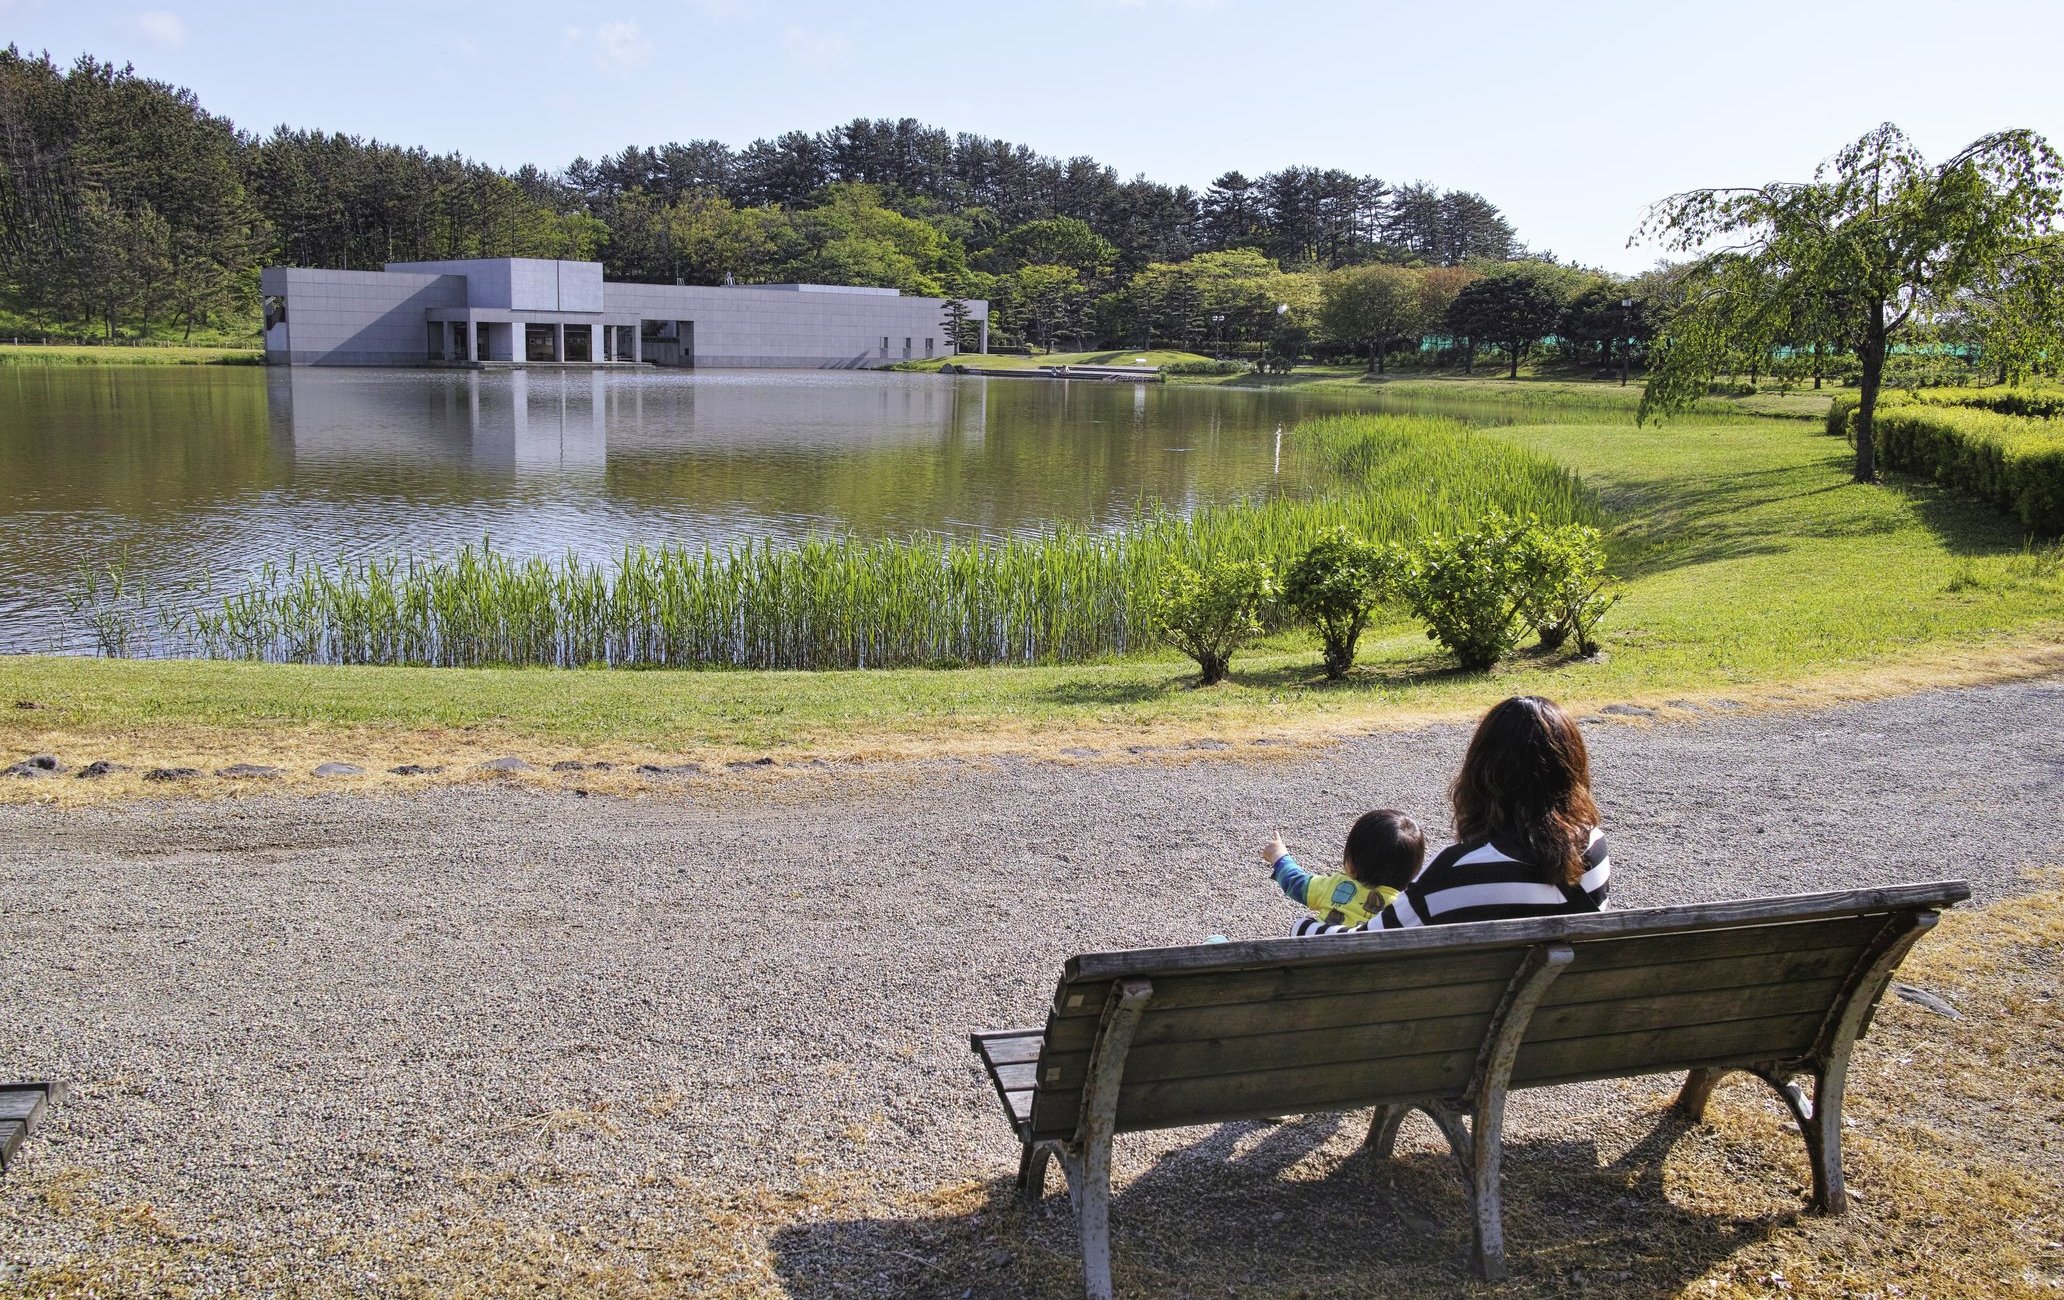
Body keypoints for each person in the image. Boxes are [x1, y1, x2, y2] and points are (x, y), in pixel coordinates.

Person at [1295, 695, 1610, 935]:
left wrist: (1304, 928)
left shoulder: (1455, 872)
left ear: (1483, 773)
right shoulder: (1593, 847)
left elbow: (1362, 944)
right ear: (1571, 769)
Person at [1261, 810, 1425, 929]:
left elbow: (1296, 883)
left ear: (1351, 866)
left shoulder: (1335, 886)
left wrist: (1279, 856)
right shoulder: (1404, 908)